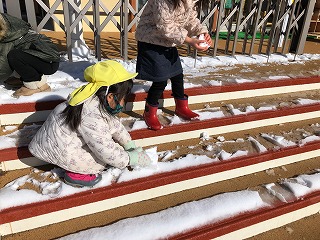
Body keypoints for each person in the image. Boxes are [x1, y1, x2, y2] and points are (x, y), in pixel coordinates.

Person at [29, 60, 153, 188]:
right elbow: (105, 150)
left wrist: (129, 145)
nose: (124, 102)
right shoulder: (91, 114)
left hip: (63, 140)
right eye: (123, 98)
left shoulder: (96, 98)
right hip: (58, 148)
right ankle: (75, 175)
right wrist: (130, 159)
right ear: (110, 96)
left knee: (109, 155)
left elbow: (114, 125)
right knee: (100, 162)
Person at [135, 0, 212, 130]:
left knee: (177, 75)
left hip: (168, 42)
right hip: (151, 41)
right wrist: (189, 40)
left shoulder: (190, 1)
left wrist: (202, 33)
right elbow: (165, 27)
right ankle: (150, 112)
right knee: (160, 80)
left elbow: (191, 20)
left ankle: (182, 107)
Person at [0, 13, 60, 97]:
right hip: (46, 57)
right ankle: (23, 78)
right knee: (18, 52)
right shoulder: (11, 26)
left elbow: (3, 69)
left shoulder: (7, 35)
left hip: (48, 61)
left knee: (13, 56)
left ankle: (35, 84)